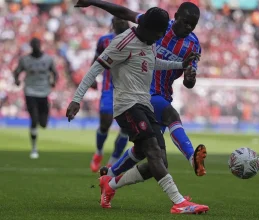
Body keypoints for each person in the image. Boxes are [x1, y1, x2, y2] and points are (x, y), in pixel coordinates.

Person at [66, 7, 209, 214]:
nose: (160, 39)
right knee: (152, 149)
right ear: (149, 29)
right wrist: (76, 99)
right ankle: (178, 202)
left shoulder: (149, 41)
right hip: (127, 106)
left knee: (158, 160)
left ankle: (110, 183)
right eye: (159, 35)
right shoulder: (123, 42)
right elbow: (96, 68)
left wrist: (181, 64)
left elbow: (154, 63)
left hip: (145, 105)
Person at [89, 17, 130, 172]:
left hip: (128, 92)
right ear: (112, 24)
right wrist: (92, 77)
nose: (121, 22)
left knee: (126, 129)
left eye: (123, 20)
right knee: (105, 123)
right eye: (117, 21)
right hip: (108, 89)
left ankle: (112, 162)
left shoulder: (136, 40)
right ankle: (98, 152)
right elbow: (96, 59)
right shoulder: (104, 41)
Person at [13, 37, 58, 159]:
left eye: (38, 44)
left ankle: (41, 122)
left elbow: (55, 72)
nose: (36, 47)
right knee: (34, 119)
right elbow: (16, 71)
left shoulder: (48, 59)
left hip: (44, 93)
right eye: (34, 45)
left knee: (43, 123)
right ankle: (34, 148)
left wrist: (54, 81)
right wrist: (16, 80)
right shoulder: (25, 60)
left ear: (40, 45)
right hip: (30, 92)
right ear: (31, 46)